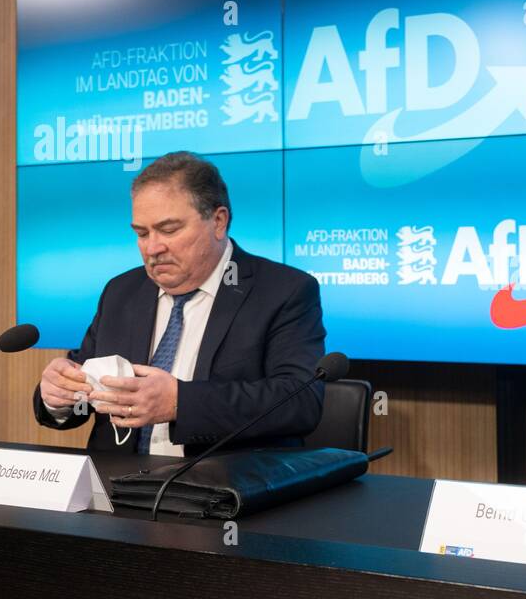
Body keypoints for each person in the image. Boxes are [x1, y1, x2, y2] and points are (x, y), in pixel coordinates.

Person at [33, 151, 326, 456]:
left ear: (218, 221)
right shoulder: (121, 291)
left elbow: (300, 402)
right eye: (142, 233)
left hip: (223, 489)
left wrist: (178, 403)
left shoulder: (283, 291)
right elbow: (83, 397)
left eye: (169, 230)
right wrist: (58, 398)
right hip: (115, 489)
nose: (152, 248)